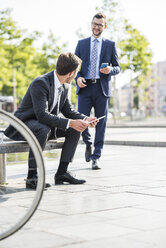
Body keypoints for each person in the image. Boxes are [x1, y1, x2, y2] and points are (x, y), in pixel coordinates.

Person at [4, 53, 98, 189]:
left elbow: (68, 111)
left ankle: (62, 173)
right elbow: (42, 115)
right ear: (71, 73)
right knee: (44, 129)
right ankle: (32, 177)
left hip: (44, 125)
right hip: (23, 125)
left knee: (75, 129)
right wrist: (71, 122)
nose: (76, 75)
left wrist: (84, 118)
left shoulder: (65, 86)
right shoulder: (40, 83)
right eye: (76, 72)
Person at [75, 13, 120, 170]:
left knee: (101, 124)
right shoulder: (81, 44)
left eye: (100, 24)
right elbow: (75, 67)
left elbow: (118, 67)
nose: (96, 27)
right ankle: (88, 144)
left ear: (104, 26)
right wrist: (77, 78)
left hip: (102, 88)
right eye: (95, 23)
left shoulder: (110, 45)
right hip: (85, 88)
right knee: (82, 121)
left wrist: (110, 70)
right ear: (91, 24)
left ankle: (96, 157)